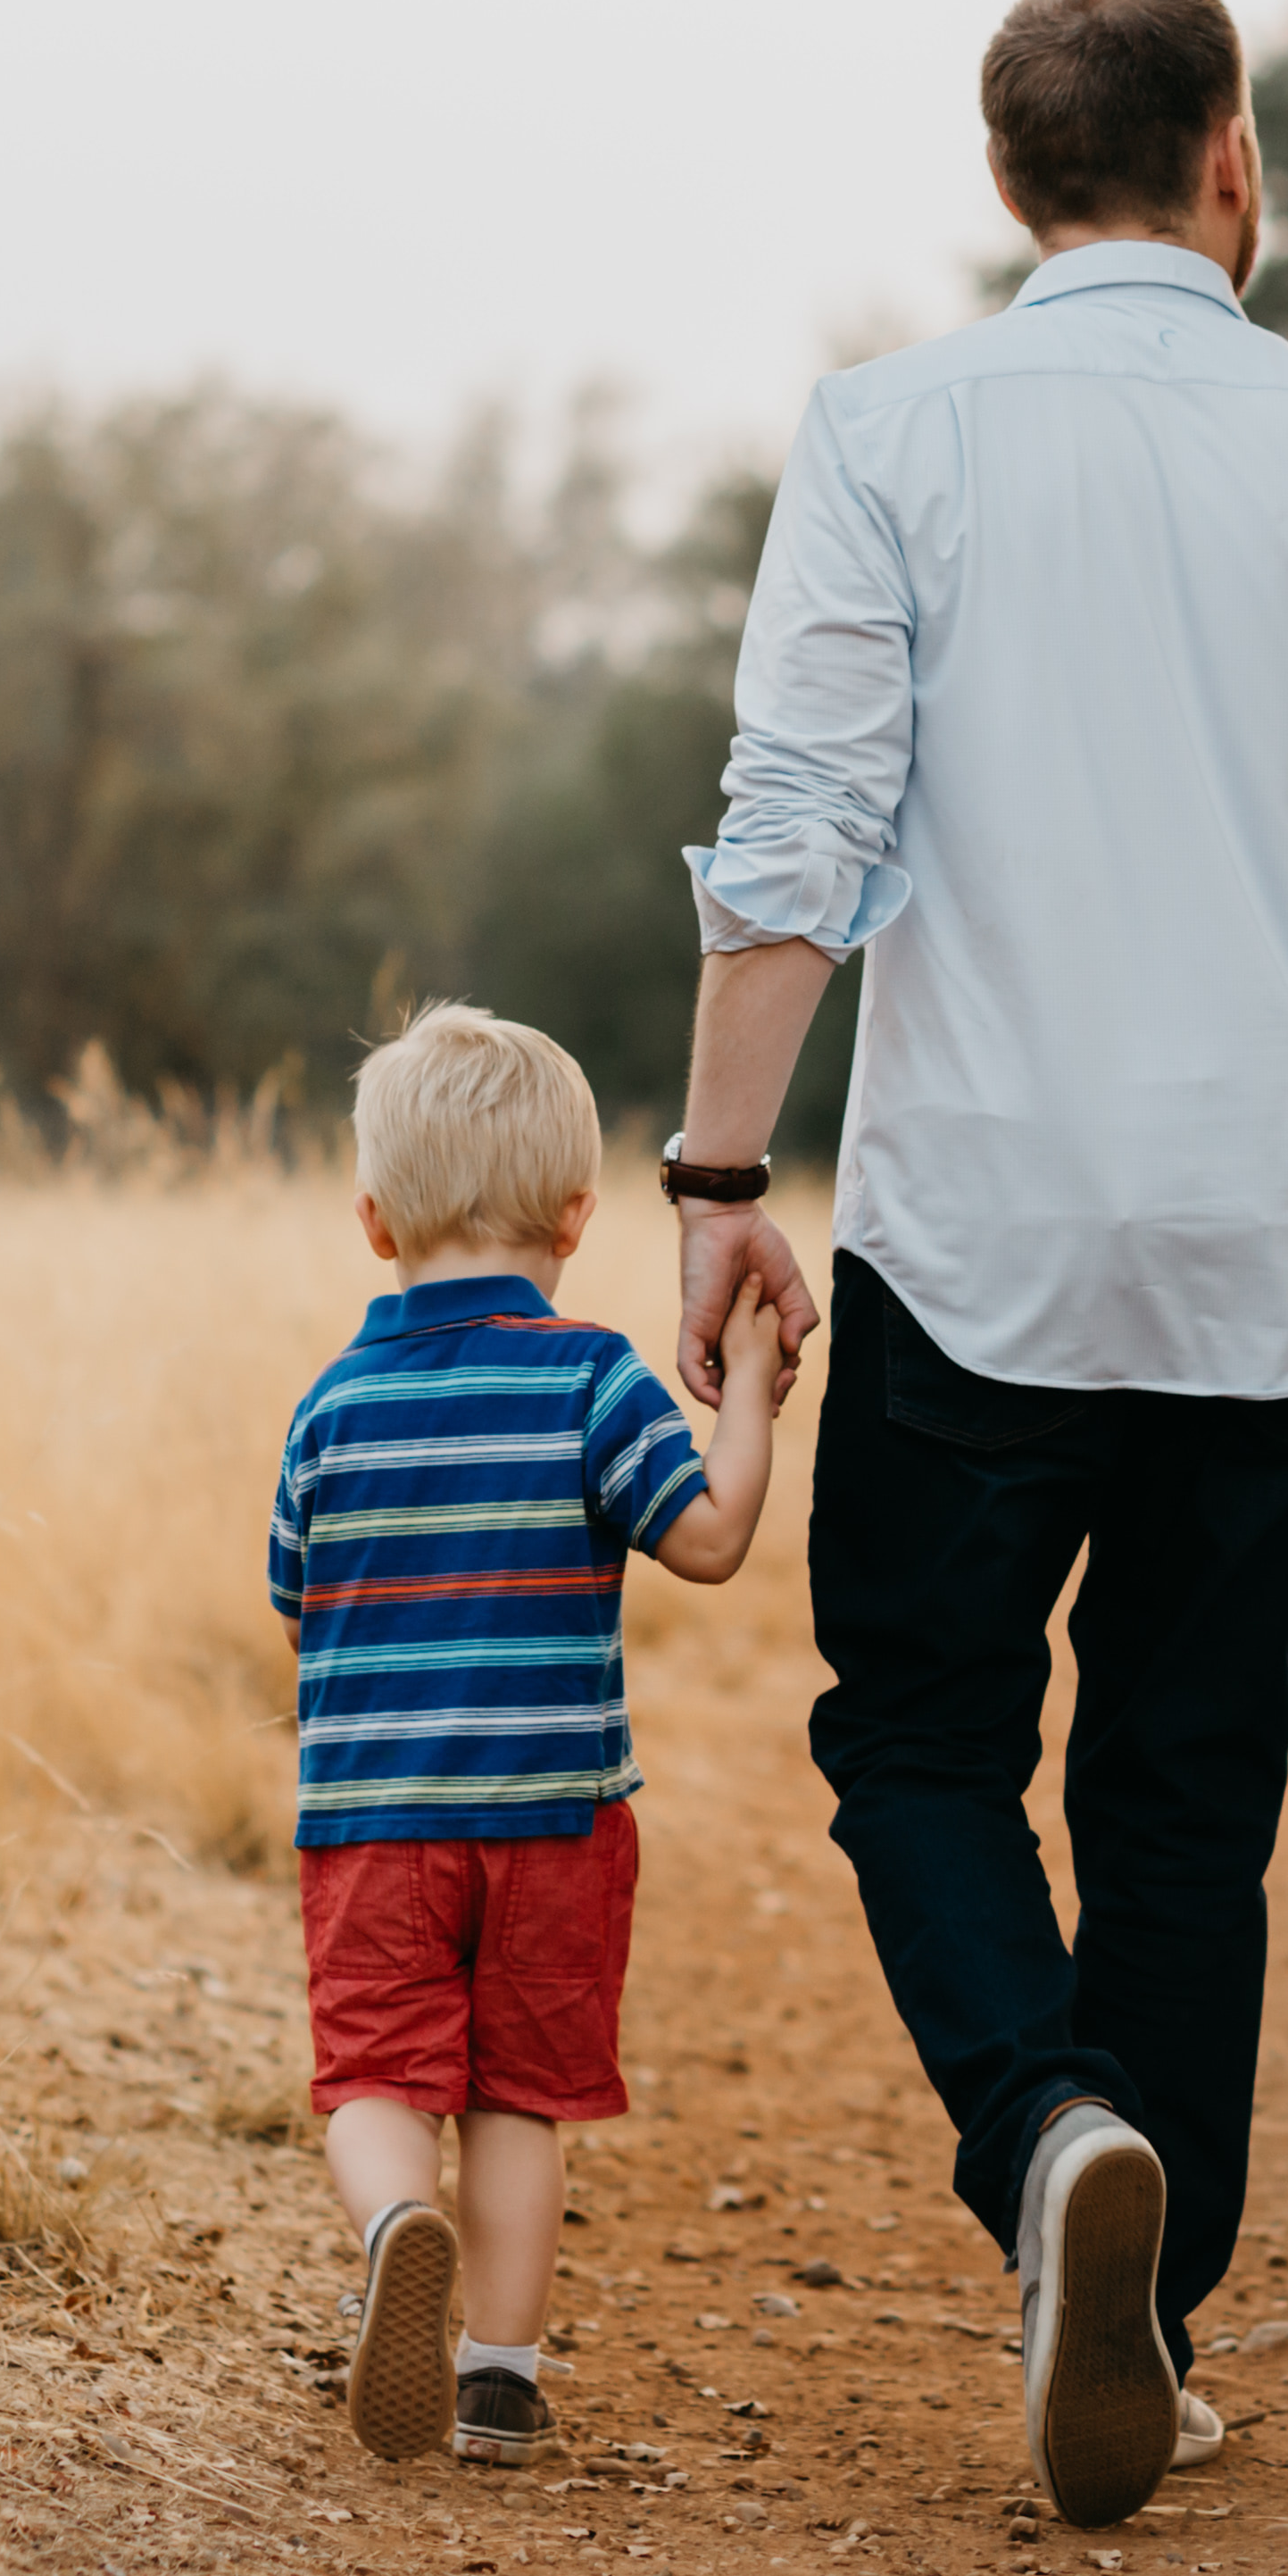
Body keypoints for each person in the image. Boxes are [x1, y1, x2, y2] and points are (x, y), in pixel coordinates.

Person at [662, 0, 1288, 2530]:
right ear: (1232, 159)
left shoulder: (887, 436)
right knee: (1187, 1802)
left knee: (921, 1741)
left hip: (976, 1236)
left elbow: (797, 836)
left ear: (1004, 181)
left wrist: (723, 1183)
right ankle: (1151, 2326)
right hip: (1267, 1253)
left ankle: (1053, 2131)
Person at [274, 1001, 783, 2468]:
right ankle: (497, 2378)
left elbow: (292, 1596)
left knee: (375, 2077)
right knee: (518, 2097)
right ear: (575, 1213)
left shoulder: (332, 1409)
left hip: (373, 1828)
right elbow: (707, 1538)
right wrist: (745, 1391)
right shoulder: (593, 1378)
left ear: (375, 1224)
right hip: (555, 1822)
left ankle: (392, 2230)